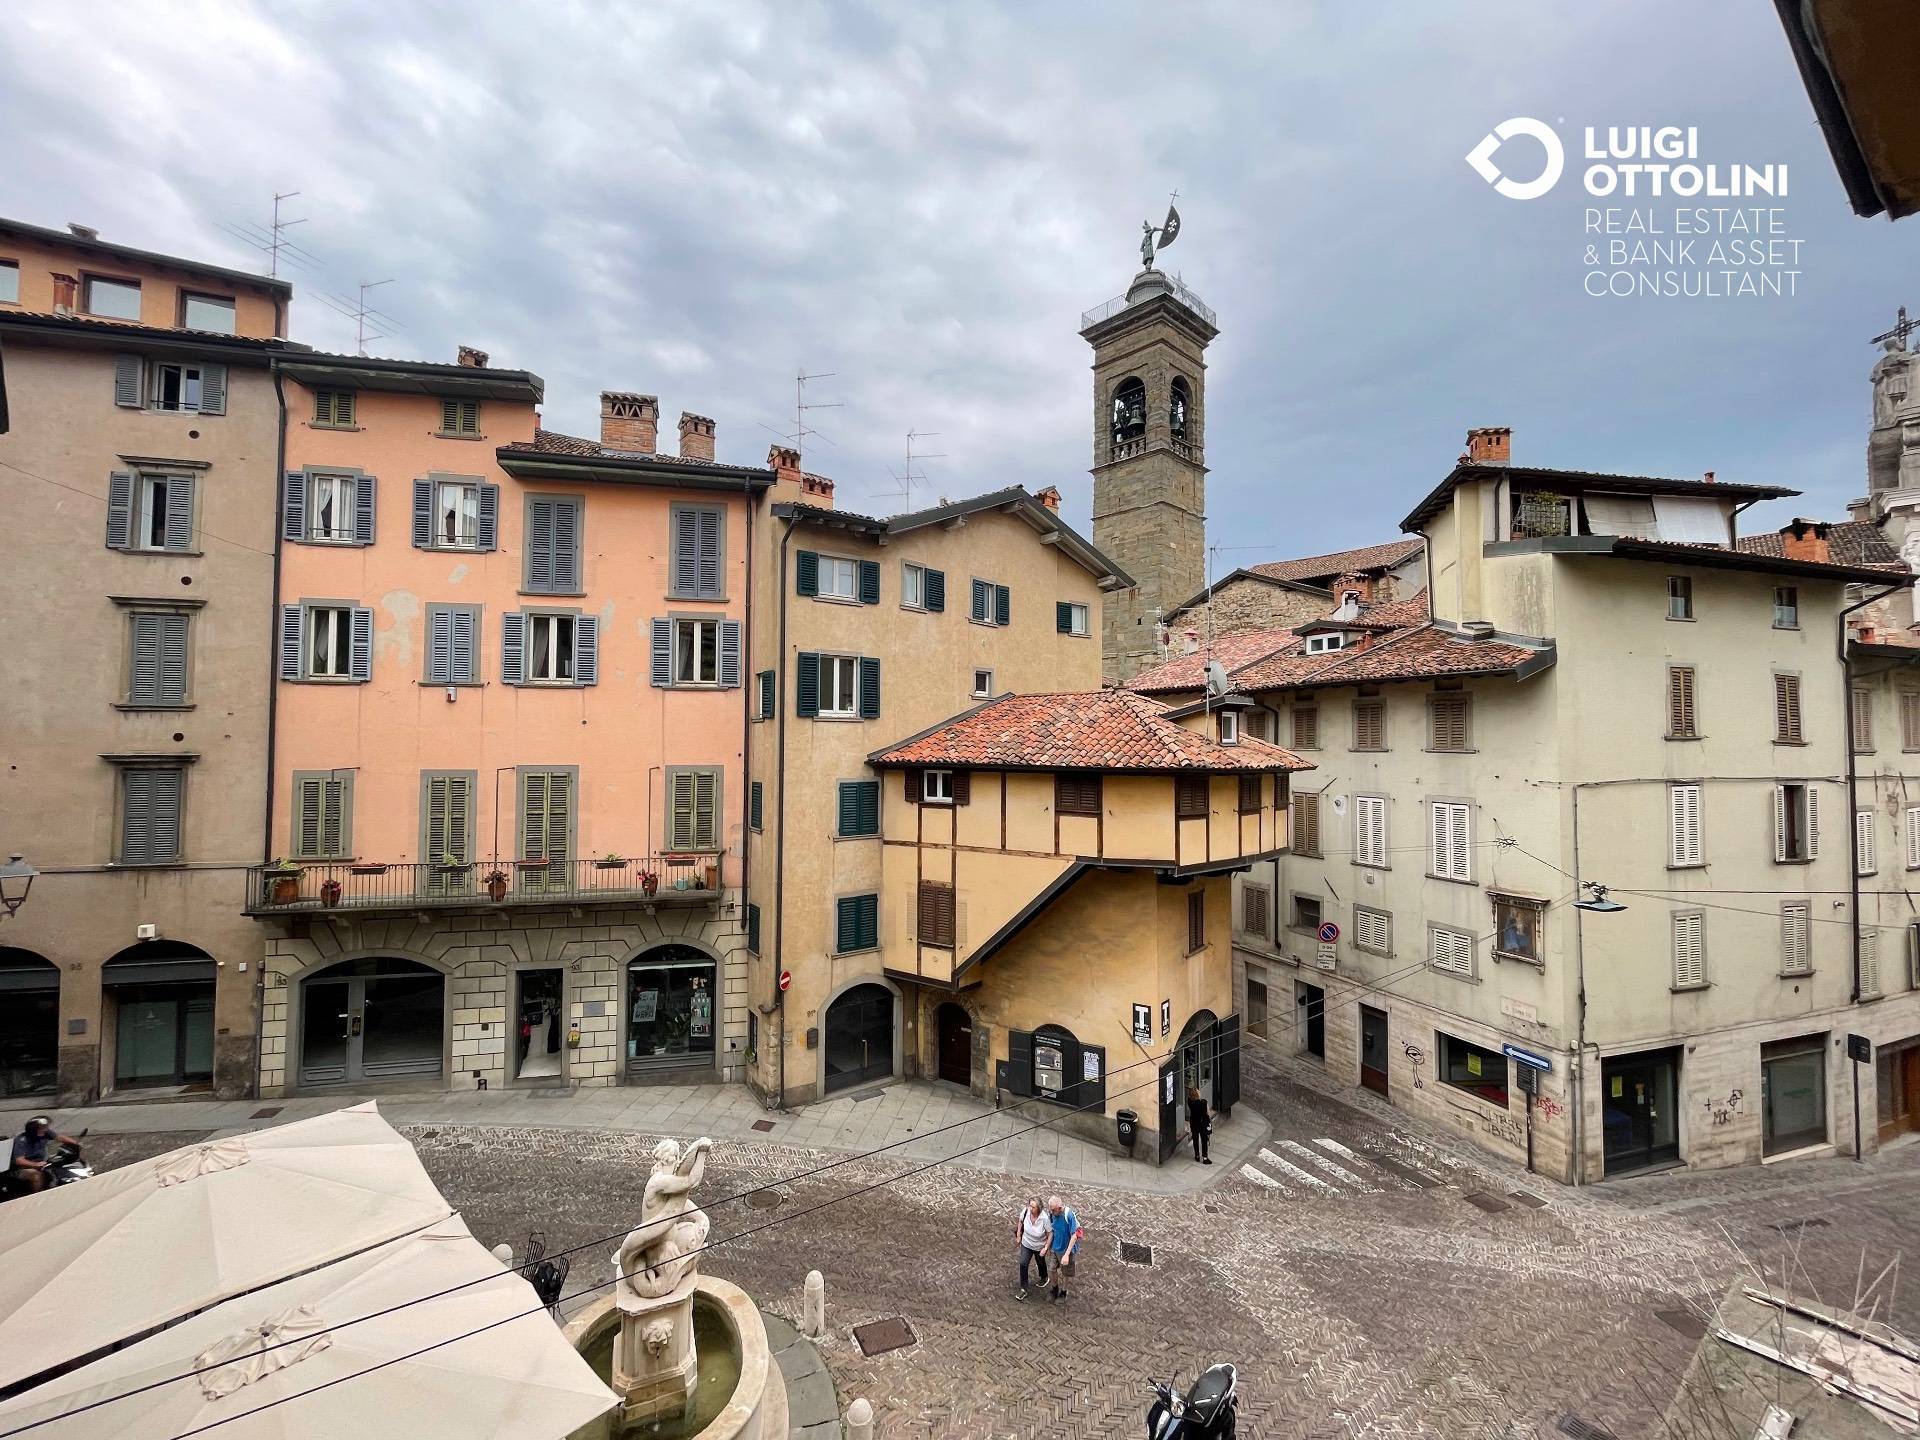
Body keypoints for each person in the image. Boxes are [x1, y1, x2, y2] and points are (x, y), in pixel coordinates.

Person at [10, 1116, 77, 1193]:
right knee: (36, 1176)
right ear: (33, 1129)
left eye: (45, 1127)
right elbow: (19, 1161)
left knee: (60, 1168)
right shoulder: (21, 1140)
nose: (45, 1129)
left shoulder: (44, 1133)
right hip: (22, 1168)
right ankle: (37, 1196)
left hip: (42, 1163)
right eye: (42, 1128)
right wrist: (35, 1165)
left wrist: (76, 1144)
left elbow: (59, 1137)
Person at [1045, 1194, 1081, 1302]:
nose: (1051, 1212)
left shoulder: (1069, 1215)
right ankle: (1054, 1289)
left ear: (1059, 1208)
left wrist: (1066, 1254)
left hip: (1066, 1250)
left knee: (1066, 1273)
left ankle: (1064, 1292)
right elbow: (1051, 1230)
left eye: (1053, 1210)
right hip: (1055, 1248)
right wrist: (1047, 1246)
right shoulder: (1052, 1214)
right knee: (1051, 1269)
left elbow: (1074, 1236)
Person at [1015, 1197, 1051, 1300]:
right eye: (1030, 1205)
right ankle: (1023, 1289)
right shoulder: (1026, 1211)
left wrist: (1046, 1247)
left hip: (1039, 1246)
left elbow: (1050, 1233)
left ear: (1039, 1208)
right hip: (1026, 1243)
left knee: (1040, 1262)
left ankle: (1044, 1277)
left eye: (1033, 1207)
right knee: (1023, 1263)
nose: (1031, 1209)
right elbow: (1020, 1222)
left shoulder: (1044, 1218)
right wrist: (1018, 1235)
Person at [1188, 1084, 1213, 1164]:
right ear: (1197, 1094)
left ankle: (1197, 1156)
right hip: (1203, 1123)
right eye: (1198, 1091)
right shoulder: (1203, 1102)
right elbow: (1208, 1113)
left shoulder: (1190, 1102)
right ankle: (1205, 1158)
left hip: (1194, 1123)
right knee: (1204, 1140)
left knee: (1195, 1139)